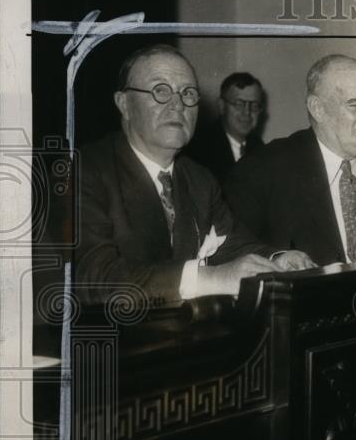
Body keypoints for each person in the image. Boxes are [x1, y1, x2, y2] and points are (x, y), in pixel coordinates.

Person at [75, 45, 314, 307]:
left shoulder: (198, 178)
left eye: (188, 93)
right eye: (161, 91)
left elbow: (232, 244)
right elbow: (93, 281)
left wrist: (277, 259)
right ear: (124, 104)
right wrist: (209, 279)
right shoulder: (84, 171)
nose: (178, 105)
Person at [225, 54, 356, 266]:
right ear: (317, 108)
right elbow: (229, 246)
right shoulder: (262, 170)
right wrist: (276, 258)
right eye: (354, 104)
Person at [185, 71, 265, 181]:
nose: (247, 112)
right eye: (239, 104)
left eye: (254, 105)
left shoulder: (260, 148)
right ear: (222, 106)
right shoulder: (199, 147)